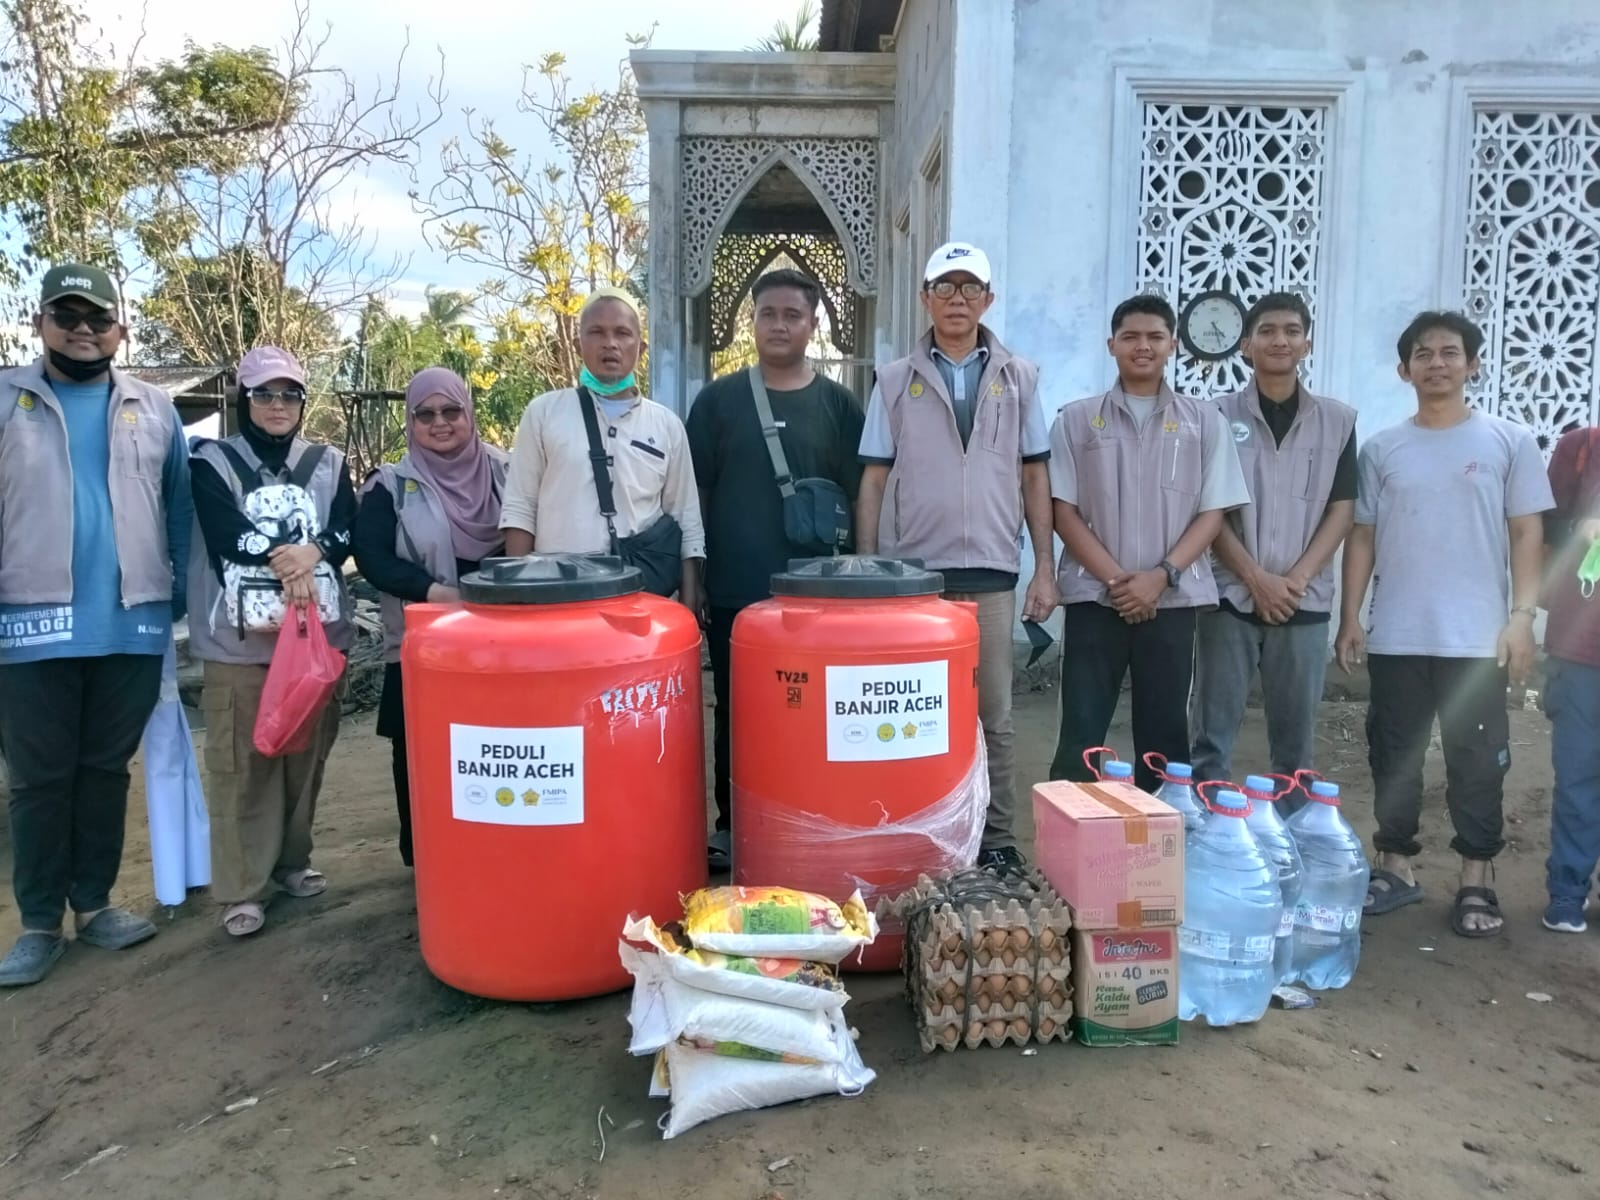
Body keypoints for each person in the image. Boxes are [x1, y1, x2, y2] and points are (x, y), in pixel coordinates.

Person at [0, 263, 192, 987]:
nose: (83, 330)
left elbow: (178, 505)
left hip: (129, 625)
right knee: (39, 779)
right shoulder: (6, 399)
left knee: (105, 770)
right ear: (41, 322)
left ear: (120, 330)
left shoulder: (155, 407)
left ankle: (96, 904)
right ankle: (39, 924)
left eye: (97, 319)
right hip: (26, 626)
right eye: (67, 316)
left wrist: (171, 593)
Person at [1335, 311, 1551, 939]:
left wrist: (1522, 618)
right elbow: (1362, 536)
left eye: (1449, 352)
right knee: (1393, 753)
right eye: (1423, 354)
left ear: (1472, 364)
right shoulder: (1383, 449)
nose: (1436, 363)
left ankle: (1476, 878)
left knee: (1478, 759)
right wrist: (1351, 616)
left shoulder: (1508, 441)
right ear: (1405, 370)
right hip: (1398, 633)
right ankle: (1394, 866)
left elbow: (1526, 532)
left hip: (1478, 639)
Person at [855, 241, 1058, 872]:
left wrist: (1045, 566)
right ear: (926, 298)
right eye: (945, 287)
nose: (957, 299)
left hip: (992, 574)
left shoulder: (1019, 378)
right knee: (918, 714)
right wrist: (869, 569)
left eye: (970, 288)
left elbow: (1034, 475)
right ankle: (924, 836)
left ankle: (996, 839)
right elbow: (874, 478)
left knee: (994, 716)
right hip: (916, 581)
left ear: (988, 300)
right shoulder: (894, 379)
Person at [685, 268, 864, 871]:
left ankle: (811, 818)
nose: (779, 325)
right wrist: (696, 576)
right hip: (736, 590)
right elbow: (695, 495)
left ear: (813, 324)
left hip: (818, 599)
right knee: (736, 710)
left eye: (793, 315)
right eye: (768, 314)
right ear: (752, 321)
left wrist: (861, 580)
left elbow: (860, 494)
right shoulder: (717, 402)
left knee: (813, 712)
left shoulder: (839, 405)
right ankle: (732, 826)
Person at [1047, 294, 1250, 792]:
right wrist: (1121, 582)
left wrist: (1161, 577)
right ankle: (1072, 829)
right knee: (1082, 731)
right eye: (1131, 337)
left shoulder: (1204, 421)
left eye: (1155, 337)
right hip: (1096, 598)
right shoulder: (1076, 420)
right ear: (1111, 345)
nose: (1143, 346)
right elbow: (1063, 510)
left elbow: (1213, 511)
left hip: (1172, 600)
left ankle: (1160, 830)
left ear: (1172, 344)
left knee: (1164, 736)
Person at [188, 346, 357, 938]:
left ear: (302, 402)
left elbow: (347, 526)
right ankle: (243, 886)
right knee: (242, 761)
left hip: (315, 638)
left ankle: (292, 861)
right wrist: (288, 557)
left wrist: (317, 550)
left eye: (289, 394)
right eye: (264, 394)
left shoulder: (328, 462)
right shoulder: (211, 461)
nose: (277, 405)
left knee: (304, 755)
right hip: (239, 644)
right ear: (245, 399)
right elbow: (224, 531)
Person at [1191, 293, 1357, 807]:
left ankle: (1291, 838)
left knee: (1295, 749)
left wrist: (1296, 580)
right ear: (1245, 344)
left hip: (1303, 600)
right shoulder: (1214, 416)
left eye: (1291, 330)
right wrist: (1255, 578)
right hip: (1229, 598)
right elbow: (1208, 509)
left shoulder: (1338, 421)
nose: (1279, 340)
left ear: (1307, 343)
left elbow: (1341, 509)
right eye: (1266, 331)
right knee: (1211, 739)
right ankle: (1212, 834)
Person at [354, 368, 507, 866]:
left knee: (497, 744)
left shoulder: (508, 472)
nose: (439, 422)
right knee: (422, 746)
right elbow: (371, 556)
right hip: (425, 643)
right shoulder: (390, 486)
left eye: (451, 410)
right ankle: (427, 857)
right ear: (411, 421)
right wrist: (433, 592)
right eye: (425, 414)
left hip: (503, 646)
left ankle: (498, 847)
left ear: (469, 412)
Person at [499, 289, 704, 616]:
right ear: (579, 343)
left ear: (641, 347)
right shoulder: (544, 412)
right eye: (597, 332)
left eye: (622, 333)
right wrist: (516, 598)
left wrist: (689, 603)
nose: (610, 343)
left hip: (638, 599)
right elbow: (521, 507)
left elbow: (685, 516)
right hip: (557, 595)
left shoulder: (667, 425)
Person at [1535, 427, 1600, 933]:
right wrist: (1580, 528)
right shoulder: (1581, 449)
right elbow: (1541, 527)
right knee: (1577, 777)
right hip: (1581, 648)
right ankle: (1567, 892)